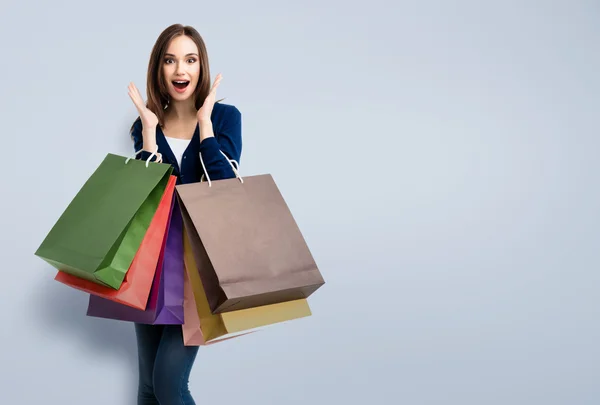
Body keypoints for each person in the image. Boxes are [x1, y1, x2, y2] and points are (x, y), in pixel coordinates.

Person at [127, 23, 242, 405]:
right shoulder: (146, 123)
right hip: (151, 265)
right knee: (147, 387)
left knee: (168, 382)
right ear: (159, 69)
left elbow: (224, 187)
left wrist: (206, 127)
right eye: (171, 60)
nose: (181, 71)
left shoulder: (226, 118)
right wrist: (147, 136)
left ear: (201, 66)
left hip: (198, 268)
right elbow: (146, 197)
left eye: (190, 60)